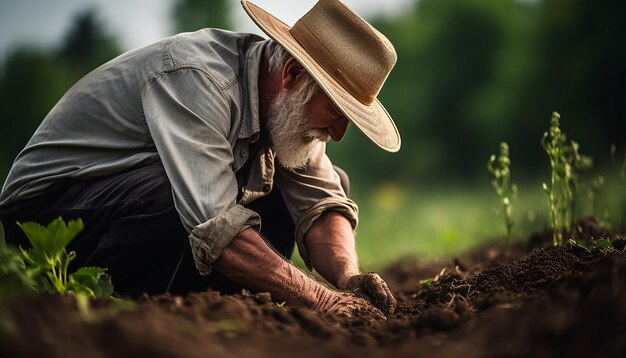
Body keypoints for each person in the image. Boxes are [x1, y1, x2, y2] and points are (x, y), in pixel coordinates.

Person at [0, 0, 401, 317]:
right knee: (177, 196)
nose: (337, 133)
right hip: (49, 209)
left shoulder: (290, 108)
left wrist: (348, 277)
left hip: (129, 208)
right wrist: (319, 298)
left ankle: (199, 306)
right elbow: (213, 225)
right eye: (334, 111)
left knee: (300, 187)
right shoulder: (198, 79)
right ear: (292, 74)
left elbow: (323, 201)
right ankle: (129, 310)